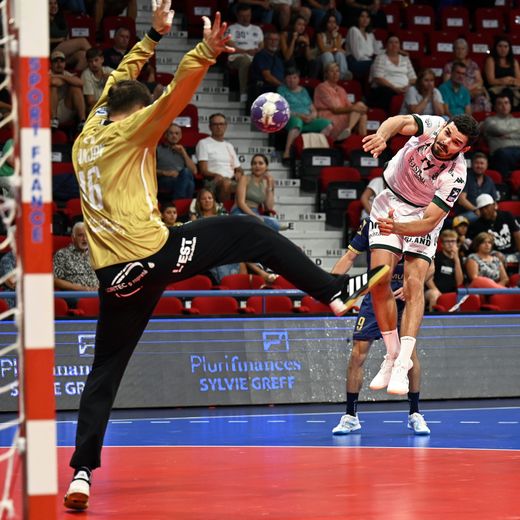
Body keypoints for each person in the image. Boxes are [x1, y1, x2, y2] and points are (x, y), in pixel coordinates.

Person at [64, 6, 387, 510]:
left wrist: (152, 36)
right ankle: (333, 291)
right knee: (246, 228)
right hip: (154, 256)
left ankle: (81, 473)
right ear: (135, 114)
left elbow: (121, 79)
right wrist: (203, 51)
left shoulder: (88, 134)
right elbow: (172, 100)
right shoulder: (128, 131)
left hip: (114, 276)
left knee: (105, 370)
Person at [362, 113, 479, 395]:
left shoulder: (456, 176)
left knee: (414, 284)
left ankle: (403, 363)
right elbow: (399, 121)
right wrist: (382, 135)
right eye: (448, 133)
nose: (446, 141)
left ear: (464, 149)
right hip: (390, 200)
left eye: (455, 142)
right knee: (379, 280)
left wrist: (398, 227)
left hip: (422, 217)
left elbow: (428, 222)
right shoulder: (434, 126)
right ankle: (391, 355)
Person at [331, 219, 431, 436]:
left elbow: (430, 265)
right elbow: (349, 256)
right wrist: (329, 285)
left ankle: (415, 413)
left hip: (405, 296)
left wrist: (412, 287)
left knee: (409, 353)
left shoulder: (421, 222)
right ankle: (350, 416)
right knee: (357, 353)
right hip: (376, 294)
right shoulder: (372, 223)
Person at [277, 68, 333, 161]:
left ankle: (314, 150)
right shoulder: (281, 90)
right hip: (292, 118)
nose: (291, 80)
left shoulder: (303, 90)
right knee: (297, 122)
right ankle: (287, 152)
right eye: (289, 78)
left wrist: (312, 116)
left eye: (294, 77)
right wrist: (300, 116)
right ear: (285, 79)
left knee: (328, 125)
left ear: (298, 79)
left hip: (307, 120)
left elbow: (313, 109)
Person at [196, 113, 243, 202]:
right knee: (226, 183)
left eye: (221, 124)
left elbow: (239, 168)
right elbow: (203, 170)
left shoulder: (229, 145)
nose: (218, 127)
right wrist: (216, 175)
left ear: (225, 126)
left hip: (231, 180)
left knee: (251, 182)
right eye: (215, 124)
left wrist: (239, 173)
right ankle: (223, 211)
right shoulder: (203, 143)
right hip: (213, 180)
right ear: (210, 127)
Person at [314, 62, 368, 140]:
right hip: (329, 116)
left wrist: (361, 107)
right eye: (332, 71)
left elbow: (349, 106)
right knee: (359, 109)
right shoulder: (322, 88)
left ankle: (354, 134)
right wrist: (355, 108)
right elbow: (335, 110)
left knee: (362, 112)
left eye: (337, 71)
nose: (335, 74)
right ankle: (360, 140)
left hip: (343, 115)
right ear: (326, 74)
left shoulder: (341, 89)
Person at [231, 153, 283, 231]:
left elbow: (269, 207)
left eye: (260, 163)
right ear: (251, 166)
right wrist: (255, 216)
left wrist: (269, 185)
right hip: (239, 211)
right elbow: (240, 203)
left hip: (255, 212)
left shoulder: (267, 182)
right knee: (252, 223)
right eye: (254, 163)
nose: (257, 166)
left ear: (266, 167)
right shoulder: (244, 178)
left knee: (274, 223)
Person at [468, 193, 520, 269]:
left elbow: (517, 234)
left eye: (487, 207)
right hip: (494, 254)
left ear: (494, 205)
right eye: (481, 209)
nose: (485, 211)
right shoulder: (478, 225)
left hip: (513, 251)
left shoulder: (507, 216)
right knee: (498, 256)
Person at [367, 35, 416, 112]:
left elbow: (413, 78)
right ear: (386, 45)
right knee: (386, 93)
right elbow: (378, 78)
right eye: (391, 42)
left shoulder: (405, 59)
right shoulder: (380, 58)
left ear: (400, 45)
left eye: (396, 42)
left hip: (405, 88)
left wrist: (407, 86)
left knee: (415, 91)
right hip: (387, 89)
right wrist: (394, 88)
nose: (394, 45)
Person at [226, 4, 264, 103]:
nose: (246, 18)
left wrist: (257, 51)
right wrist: (246, 51)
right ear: (237, 16)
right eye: (243, 16)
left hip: (255, 57)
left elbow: (262, 46)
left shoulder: (257, 29)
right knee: (246, 61)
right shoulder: (232, 28)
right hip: (237, 57)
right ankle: (244, 93)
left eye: (248, 15)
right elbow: (230, 47)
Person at [442, 37, 491, 113]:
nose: (460, 51)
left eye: (463, 49)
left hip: (472, 92)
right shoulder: (449, 66)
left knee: (483, 101)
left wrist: (468, 90)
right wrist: (465, 91)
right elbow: (448, 83)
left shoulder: (473, 65)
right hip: (456, 93)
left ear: (467, 51)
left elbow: (480, 81)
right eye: (458, 49)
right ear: (453, 50)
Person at [482, 93, 520, 180]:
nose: (504, 106)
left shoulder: (518, 121)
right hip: (500, 152)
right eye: (500, 103)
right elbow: (498, 130)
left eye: (506, 103)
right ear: (495, 107)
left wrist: (507, 135)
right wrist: (517, 132)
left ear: (510, 105)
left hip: (518, 149)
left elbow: (502, 131)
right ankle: (504, 184)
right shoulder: (489, 121)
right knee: (503, 154)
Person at [424, 229, 464, 311]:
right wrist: (436, 290)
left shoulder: (459, 259)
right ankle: (433, 320)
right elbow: (428, 279)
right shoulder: (436, 257)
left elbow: (459, 282)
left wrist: (456, 259)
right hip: (433, 290)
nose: (451, 244)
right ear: (442, 244)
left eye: (453, 241)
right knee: (434, 294)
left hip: (451, 292)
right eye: (447, 241)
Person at [156, 123, 197, 201]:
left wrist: (183, 153)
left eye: (177, 133)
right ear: (165, 135)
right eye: (171, 133)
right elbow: (149, 171)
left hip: (181, 178)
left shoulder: (183, 150)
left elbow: (194, 171)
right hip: (165, 179)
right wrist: (165, 173)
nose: (174, 136)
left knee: (188, 180)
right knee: (189, 183)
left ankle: (177, 203)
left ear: (180, 136)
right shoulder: (158, 150)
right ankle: (182, 205)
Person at [53, 222, 99, 292]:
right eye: (80, 235)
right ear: (73, 238)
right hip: (75, 294)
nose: (85, 239)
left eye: (87, 235)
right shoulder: (62, 254)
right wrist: (83, 289)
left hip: (98, 294)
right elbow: (54, 280)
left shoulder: (96, 254)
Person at [455, 152, 497, 223]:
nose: (479, 166)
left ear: (486, 165)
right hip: (467, 213)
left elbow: (494, 201)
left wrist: (492, 210)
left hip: (484, 212)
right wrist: (476, 210)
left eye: (482, 163)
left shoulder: (489, 181)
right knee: (477, 217)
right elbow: (461, 200)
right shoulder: (465, 177)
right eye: (477, 163)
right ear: (472, 165)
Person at [50, 49, 87, 129]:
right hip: (48, 111)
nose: (59, 64)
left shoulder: (66, 74)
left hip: (65, 108)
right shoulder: (46, 73)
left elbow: (80, 83)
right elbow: (54, 82)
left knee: (75, 88)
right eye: (56, 61)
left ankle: (82, 121)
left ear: (65, 63)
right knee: (53, 87)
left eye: (61, 61)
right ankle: (54, 119)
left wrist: (60, 76)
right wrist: (68, 80)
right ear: (51, 64)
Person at [50, 0, 91, 71]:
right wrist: (59, 39)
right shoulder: (42, 20)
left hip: (64, 49)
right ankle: (99, 64)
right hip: (51, 49)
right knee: (82, 41)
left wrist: (70, 47)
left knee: (83, 55)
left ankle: (74, 77)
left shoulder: (60, 18)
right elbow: (40, 40)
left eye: (55, 3)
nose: (53, 6)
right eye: (50, 3)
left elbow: (66, 34)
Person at [484, 36, 520, 110]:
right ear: (495, 47)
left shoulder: (514, 61)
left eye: (505, 46)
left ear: (509, 48)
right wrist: (505, 80)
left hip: (512, 87)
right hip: (495, 89)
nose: (503, 49)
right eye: (500, 46)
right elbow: (491, 81)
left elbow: (518, 79)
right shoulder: (491, 60)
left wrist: (512, 81)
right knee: (507, 93)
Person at [249, 31, 285, 102]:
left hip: (277, 88)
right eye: (270, 39)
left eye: (276, 40)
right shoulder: (261, 55)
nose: (273, 42)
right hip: (263, 89)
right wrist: (283, 86)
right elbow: (267, 77)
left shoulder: (278, 57)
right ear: (265, 41)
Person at [345, 9, 381, 80]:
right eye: (362, 16)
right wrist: (372, 61)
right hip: (355, 63)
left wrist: (395, 52)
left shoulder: (370, 34)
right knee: (377, 64)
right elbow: (357, 55)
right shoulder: (353, 30)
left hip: (368, 62)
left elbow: (377, 51)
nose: (365, 19)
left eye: (367, 17)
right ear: (357, 18)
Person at [316, 12, 351, 81]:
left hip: (334, 58)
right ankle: (329, 77)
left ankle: (342, 76)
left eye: (334, 22)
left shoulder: (338, 35)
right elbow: (323, 50)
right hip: (321, 58)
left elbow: (337, 49)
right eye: (329, 22)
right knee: (328, 54)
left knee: (340, 54)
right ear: (325, 23)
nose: (332, 24)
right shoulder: (320, 35)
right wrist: (335, 49)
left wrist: (334, 37)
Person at [81, 47, 114, 113]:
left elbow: (124, 86)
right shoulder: (86, 74)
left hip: (111, 105)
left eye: (96, 60)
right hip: (95, 108)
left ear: (102, 59)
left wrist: (111, 82)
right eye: (90, 61)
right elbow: (90, 102)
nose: (94, 64)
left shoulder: (109, 71)